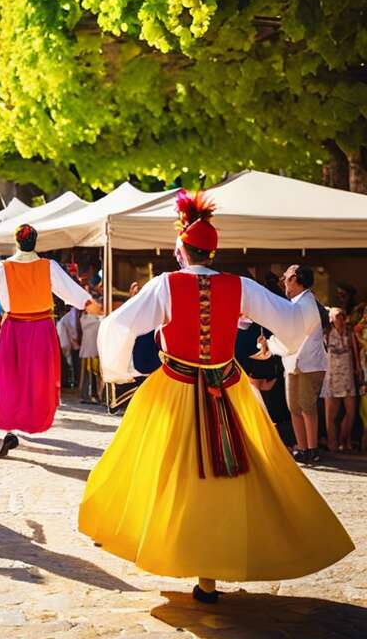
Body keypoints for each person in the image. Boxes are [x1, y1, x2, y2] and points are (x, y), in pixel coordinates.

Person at [79, 190, 354, 604]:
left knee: (158, 465)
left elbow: (117, 326)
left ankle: (155, 541)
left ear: (181, 250)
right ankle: (213, 568)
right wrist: (281, 346)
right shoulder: (240, 287)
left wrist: (124, 371)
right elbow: (297, 320)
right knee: (238, 473)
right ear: (213, 251)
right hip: (228, 389)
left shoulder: (165, 285)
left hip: (174, 386)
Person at [0, 225, 98, 458]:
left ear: (16, 243)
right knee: (36, 380)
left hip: (13, 329)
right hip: (41, 329)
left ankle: (10, 429)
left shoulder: (1, 268)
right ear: (35, 243)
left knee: (5, 378)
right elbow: (70, 291)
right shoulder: (49, 266)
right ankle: (25, 425)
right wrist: (88, 303)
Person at [268, 264, 329, 463]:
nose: (283, 281)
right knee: (294, 406)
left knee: (306, 406)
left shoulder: (306, 303)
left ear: (294, 278)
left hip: (307, 363)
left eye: (285, 277)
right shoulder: (296, 302)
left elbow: (294, 333)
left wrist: (270, 345)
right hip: (293, 361)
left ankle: (312, 449)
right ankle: (302, 448)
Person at [322, 307, 361, 452]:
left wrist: (358, 369)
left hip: (347, 376)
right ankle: (332, 444)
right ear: (331, 318)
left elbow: (355, 352)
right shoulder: (326, 333)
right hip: (331, 377)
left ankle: (343, 439)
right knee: (330, 415)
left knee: (351, 411)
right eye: (337, 316)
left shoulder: (349, 333)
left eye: (342, 316)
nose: (341, 319)